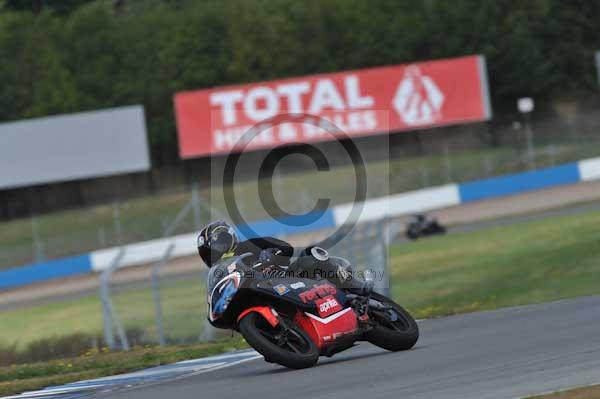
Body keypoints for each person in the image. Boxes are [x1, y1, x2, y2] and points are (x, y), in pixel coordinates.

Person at [197, 220, 372, 295]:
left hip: (290, 278)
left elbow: (286, 248)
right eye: (211, 250)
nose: (217, 250)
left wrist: (271, 254)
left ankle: (356, 286)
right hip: (264, 293)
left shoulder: (250, 244)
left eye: (219, 244)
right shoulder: (221, 275)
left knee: (311, 254)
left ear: (229, 238)